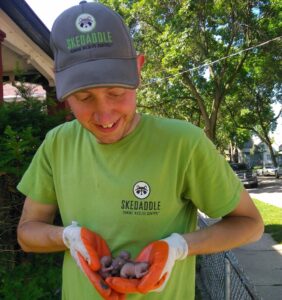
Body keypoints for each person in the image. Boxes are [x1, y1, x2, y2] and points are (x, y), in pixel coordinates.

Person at [17, 1, 264, 300]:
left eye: (117, 92)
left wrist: (178, 247)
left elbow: (250, 224)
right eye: (83, 97)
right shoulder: (57, 143)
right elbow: (27, 232)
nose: (104, 115)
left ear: (138, 69)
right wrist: (68, 237)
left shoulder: (183, 142)